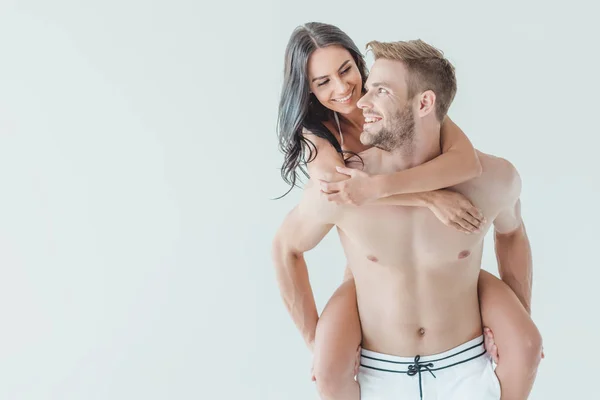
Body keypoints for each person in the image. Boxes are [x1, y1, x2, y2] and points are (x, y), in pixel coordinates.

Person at [273, 22, 542, 400]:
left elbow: (468, 166)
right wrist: (313, 341)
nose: (347, 92)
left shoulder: (490, 174)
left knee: (527, 341)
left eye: (349, 71)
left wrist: (518, 319)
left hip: (465, 365)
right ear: (310, 92)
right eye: (322, 83)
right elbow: (299, 235)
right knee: (330, 360)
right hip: (377, 364)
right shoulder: (323, 149)